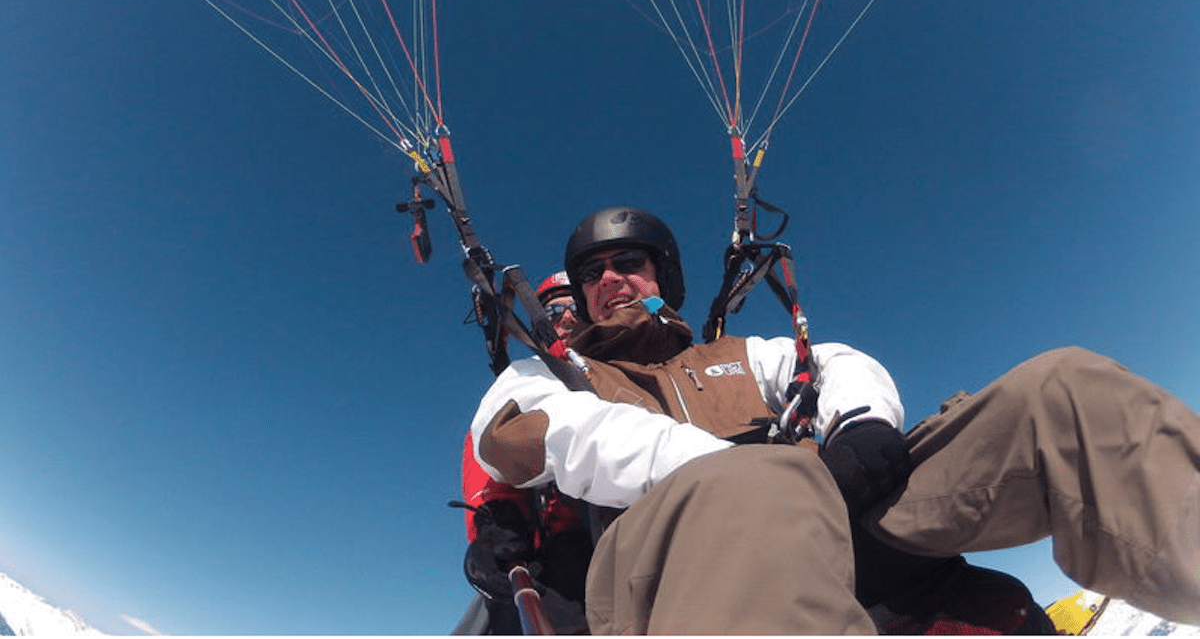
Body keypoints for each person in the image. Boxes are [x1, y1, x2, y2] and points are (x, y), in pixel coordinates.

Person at [470, 207, 1200, 634]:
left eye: (627, 261)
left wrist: (860, 425)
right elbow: (529, 436)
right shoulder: (549, 375)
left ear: (662, 276)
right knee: (754, 485)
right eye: (592, 273)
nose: (609, 280)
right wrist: (720, 464)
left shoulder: (739, 353)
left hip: (837, 513)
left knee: (1064, 390)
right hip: (672, 557)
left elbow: (829, 361)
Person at [460, 272, 591, 634]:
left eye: (576, 309)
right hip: (560, 548)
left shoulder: (636, 369)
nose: (566, 318)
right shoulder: (524, 385)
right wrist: (498, 519)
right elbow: (489, 451)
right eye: (553, 312)